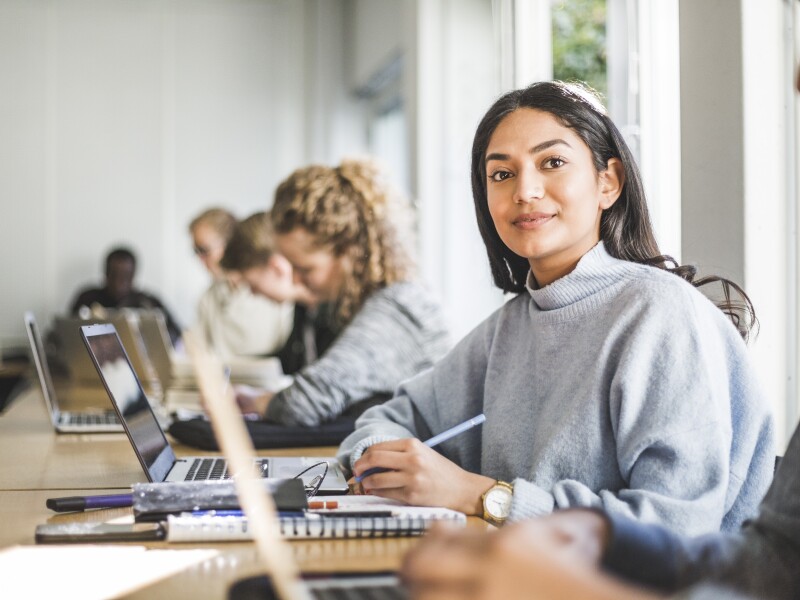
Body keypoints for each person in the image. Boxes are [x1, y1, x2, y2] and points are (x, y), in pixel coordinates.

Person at [337, 81, 774, 536]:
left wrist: (484, 496)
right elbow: (390, 418)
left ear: (609, 182)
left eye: (553, 163)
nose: (524, 191)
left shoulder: (660, 313)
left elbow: (675, 529)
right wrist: (382, 465)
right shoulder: (509, 327)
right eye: (501, 174)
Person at [401, 419, 800, 599]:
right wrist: (607, 535)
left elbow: (686, 522)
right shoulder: (508, 323)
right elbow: (771, 564)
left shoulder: (660, 312)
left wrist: (574, 591)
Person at [234, 158, 452, 426]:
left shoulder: (398, 309)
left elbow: (304, 403)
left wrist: (254, 402)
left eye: (305, 269)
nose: (295, 279)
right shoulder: (371, 303)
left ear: (349, 251)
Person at [218, 210, 337, 376]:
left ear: (276, 267)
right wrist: (224, 366)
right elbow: (286, 363)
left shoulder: (337, 312)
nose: (253, 293)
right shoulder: (303, 309)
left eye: (253, 284)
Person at [189, 207, 294, 360]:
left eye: (204, 250)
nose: (201, 260)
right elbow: (199, 350)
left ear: (228, 243)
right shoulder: (208, 298)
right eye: (196, 252)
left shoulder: (274, 288)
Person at [69, 246, 182, 344]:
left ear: (133, 275)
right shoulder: (88, 299)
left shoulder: (148, 302)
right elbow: (68, 334)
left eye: (125, 276)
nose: (119, 283)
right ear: (106, 273)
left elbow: (175, 335)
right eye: (114, 275)